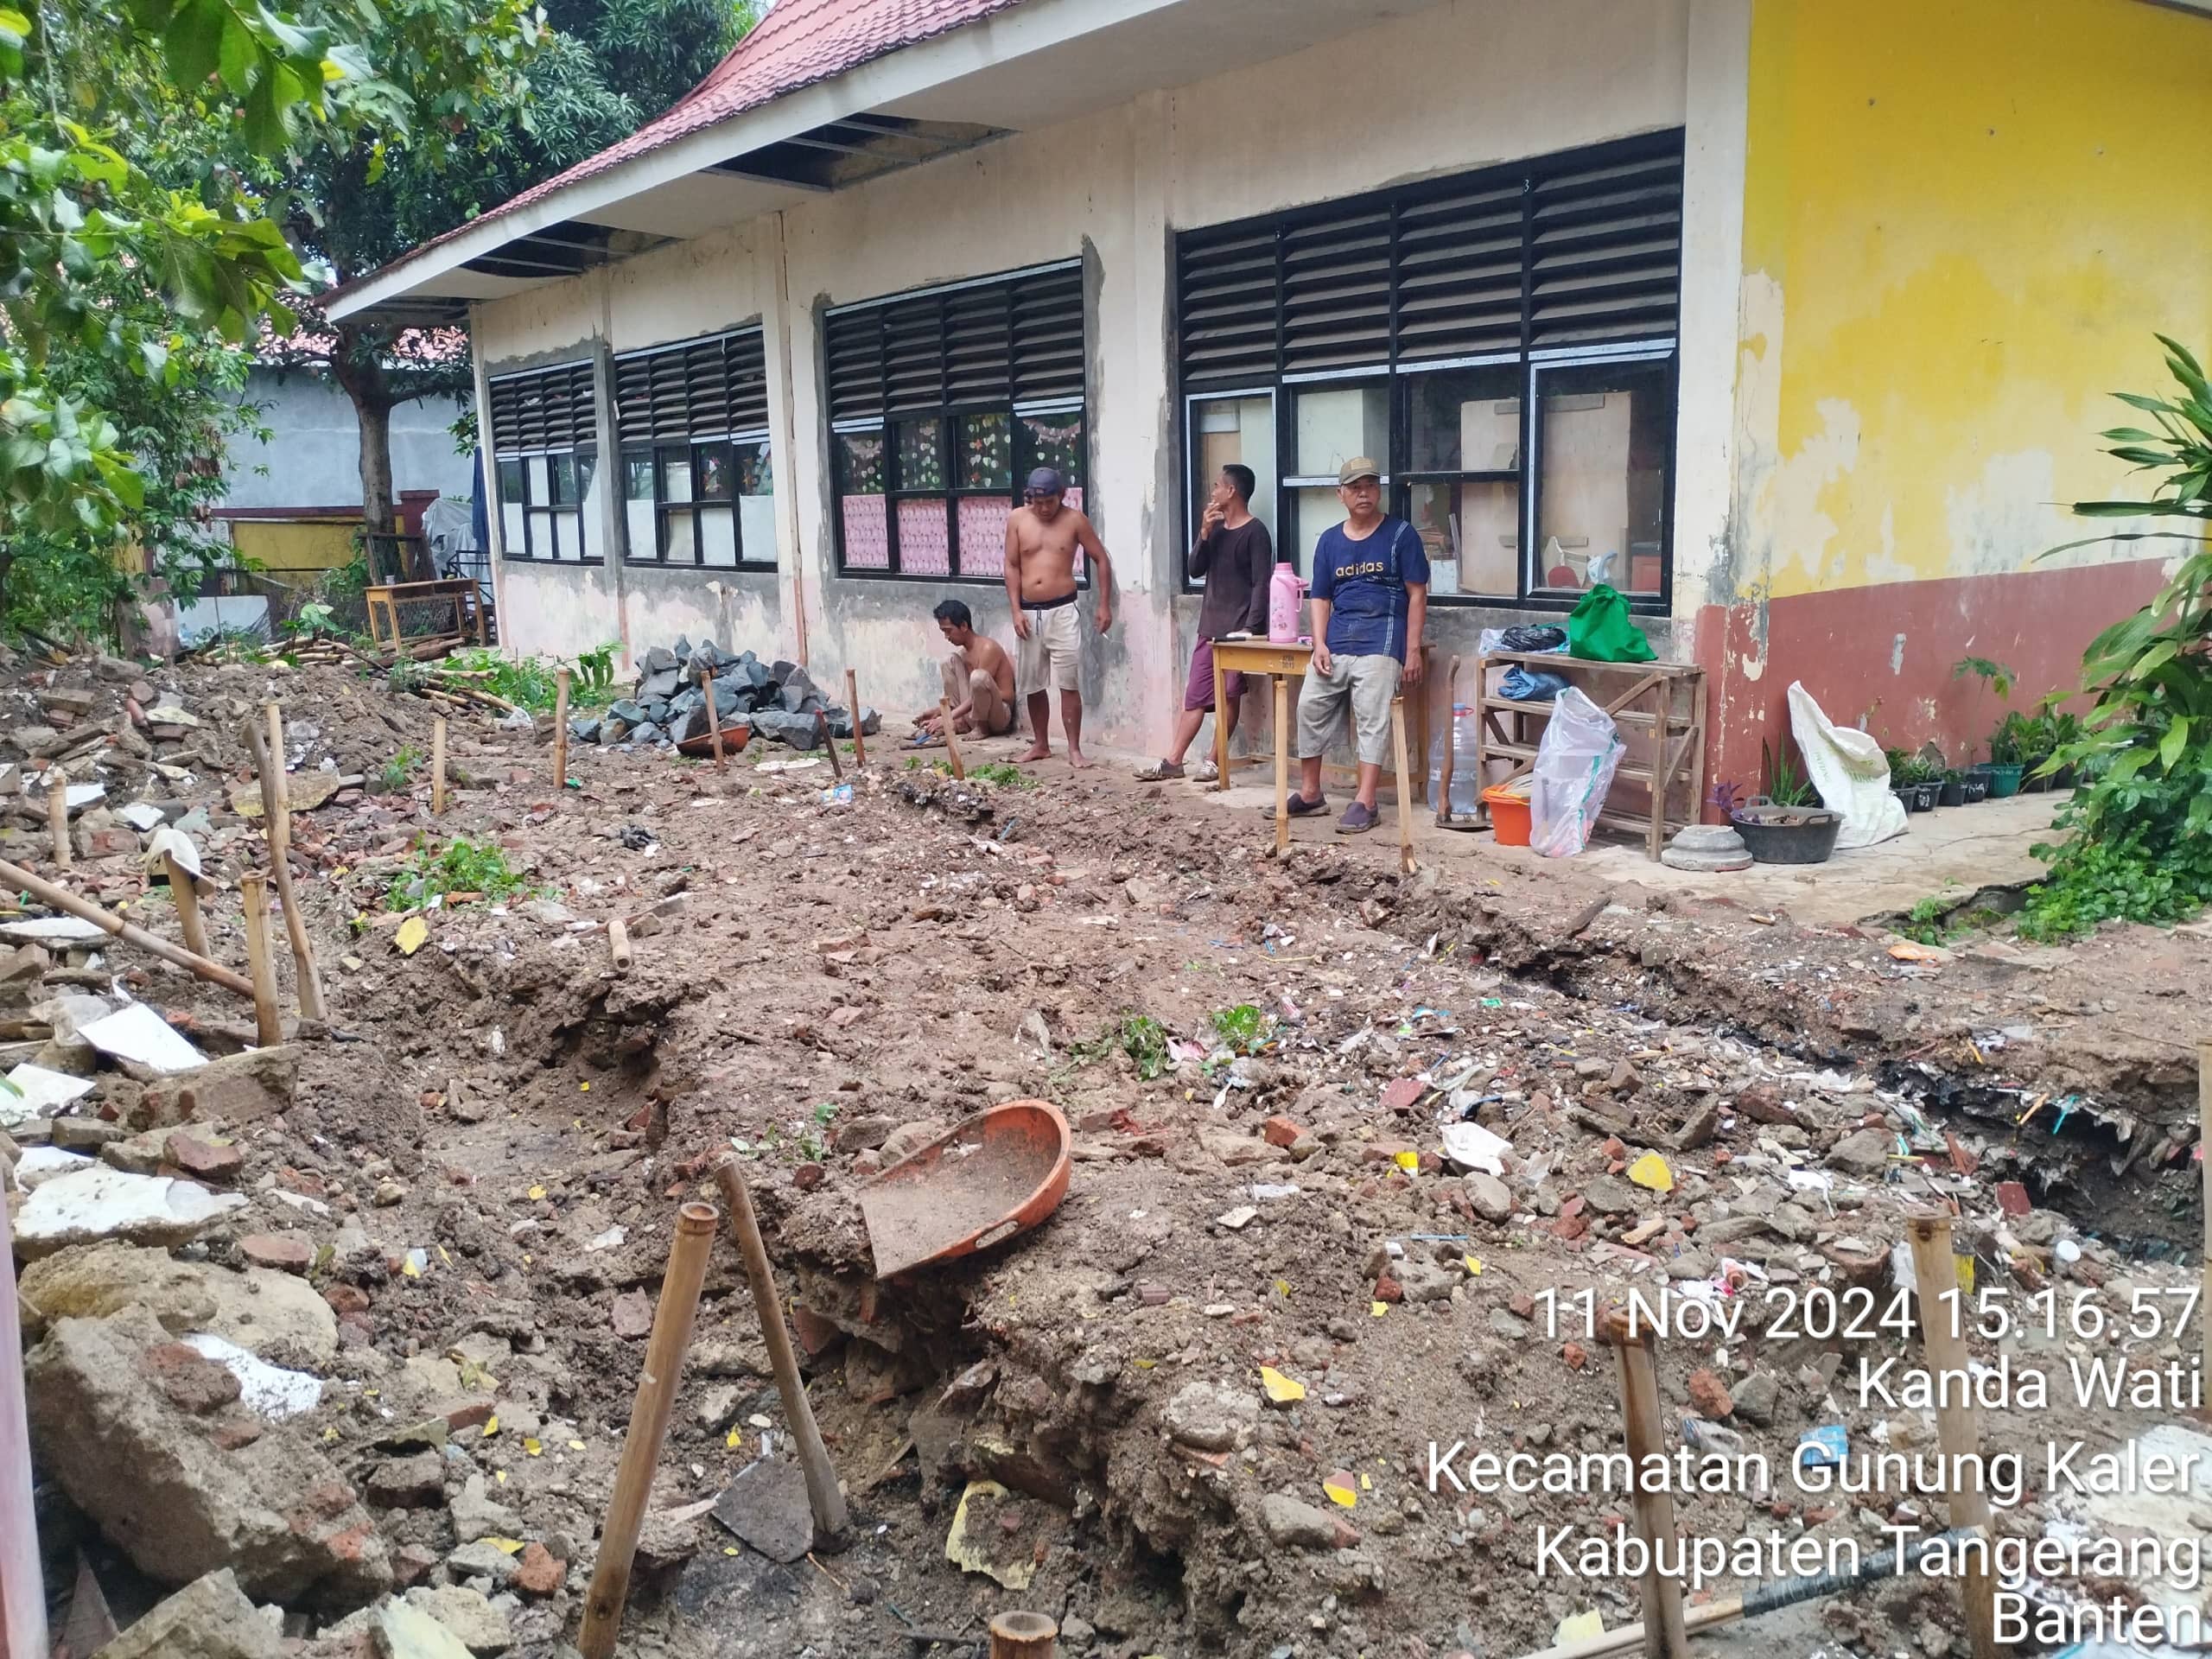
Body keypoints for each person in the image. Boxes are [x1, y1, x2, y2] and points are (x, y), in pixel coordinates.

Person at [1286, 457, 1427, 835]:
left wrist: (1412, 650)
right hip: (1337, 639)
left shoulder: (1400, 535)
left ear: (1378, 490)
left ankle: (1365, 801)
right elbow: (1320, 597)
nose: (1363, 492)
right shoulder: (1330, 540)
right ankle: (1311, 793)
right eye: (1354, 487)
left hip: (1382, 639)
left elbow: (1417, 595)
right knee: (1308, 705)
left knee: (1372, 712)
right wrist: (1318, 644)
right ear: (1341, 494)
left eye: (1369, 485)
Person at [1135, 463, 1271, 783]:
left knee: (1229, 696)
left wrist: (1250, 630)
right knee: (1195, 696)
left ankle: (1214, 760)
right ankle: (1174, 760)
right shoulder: (1217, 529)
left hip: (1238, 632)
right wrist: (1204, 534)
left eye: (1216, 486)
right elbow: (1195, 568)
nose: (1212, 493)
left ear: (1231, 491)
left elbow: (1261, 584)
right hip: (1208, 627)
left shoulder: (1256, 533)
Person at [1004, 466, 1113, 767]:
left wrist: (1104, 605)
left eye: (1049, 502)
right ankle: (1040, 744)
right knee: (1033, 683)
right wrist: (1015, 609)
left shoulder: (1075, 521)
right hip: (1028, 611)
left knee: (1068, 682)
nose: (1043, 509)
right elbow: (1011, 565)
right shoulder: (1017, 519)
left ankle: (1074, 750)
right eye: (1037, 502)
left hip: (1064, 610)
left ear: (1062, 496)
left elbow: (1101, 559)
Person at [916, 598, 1015, 738]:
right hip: (972, 711)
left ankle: (982, 728)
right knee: (948, 661)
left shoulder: (988, 648)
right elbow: (969, 697)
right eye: (943, 632)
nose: (946, 637)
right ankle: (960, 722)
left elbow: (979, 691)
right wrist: (940, 712)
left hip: (998, 716)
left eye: (949, 631)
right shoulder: (963, 654)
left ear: (963, 626)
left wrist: (946, 717)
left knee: (979, 677)